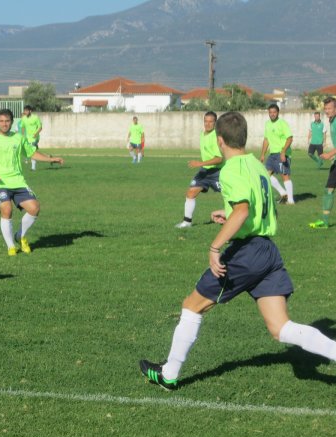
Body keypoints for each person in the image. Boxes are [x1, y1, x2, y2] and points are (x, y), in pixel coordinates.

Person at [139, 111, 336, 391]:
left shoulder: (230, 169)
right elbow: (259, 208)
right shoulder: (257, 165)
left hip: (247, 253)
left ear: (220, 140)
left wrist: (215, 246)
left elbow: (243, 210)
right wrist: (229, 214)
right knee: (281, 328)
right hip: (268, 251)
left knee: (192, 306)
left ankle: (169, 374)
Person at [0, 109, 63, 256]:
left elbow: (32, 153)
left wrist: (51, 159)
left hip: (17, 181)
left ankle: (20, 236)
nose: (4, 124)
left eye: (7, 121)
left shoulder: (18, 138)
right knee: (6, 209)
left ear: (12, 122)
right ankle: (11, 246)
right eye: (1, 121)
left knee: (34, 208)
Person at [175, 111, 223, 228]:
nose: (207, 124)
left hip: (218, 172)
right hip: (204, 171)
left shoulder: (216, 136)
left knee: (231, 195)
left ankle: (240, 217)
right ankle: (187, 222)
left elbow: (219, 159)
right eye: (205, 121)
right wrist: (202, 165)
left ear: (215, 123)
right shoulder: (202, 134)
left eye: (210, 121)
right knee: (191, 192)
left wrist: (200, 163)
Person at [309, 97, 336, 229]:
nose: (327, 111)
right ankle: (325, 222)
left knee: (329, 189)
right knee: (329, 189)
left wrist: (330, 154)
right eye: (325, 108)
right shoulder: (332, 120)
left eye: (329, 108)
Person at [260, 104, 294, 204]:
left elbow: (290, 138)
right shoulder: (267, 124)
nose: (272, 114)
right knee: (265, 175)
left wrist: (283, 152)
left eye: (274, 112)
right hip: (272, 154)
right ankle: (283, 193)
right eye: (270, 112)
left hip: (282, 153)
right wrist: (262, 154)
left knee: (284, 175)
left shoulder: (282, 123)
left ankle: (291, 200)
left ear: (278, 112)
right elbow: (266, 140)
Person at [21, 105, 42, 171]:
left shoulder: (35, 117)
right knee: (31, 152)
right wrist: (22, 135)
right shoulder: (24, 118)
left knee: (33, 152)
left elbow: (40, 127)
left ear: (30, 111)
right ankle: (48, 157)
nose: (25, 112)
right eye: (25, 111)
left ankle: (33, 168)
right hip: (28, 138)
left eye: (27, 111)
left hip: (35, 138)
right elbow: (23, 127)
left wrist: (36, 134)